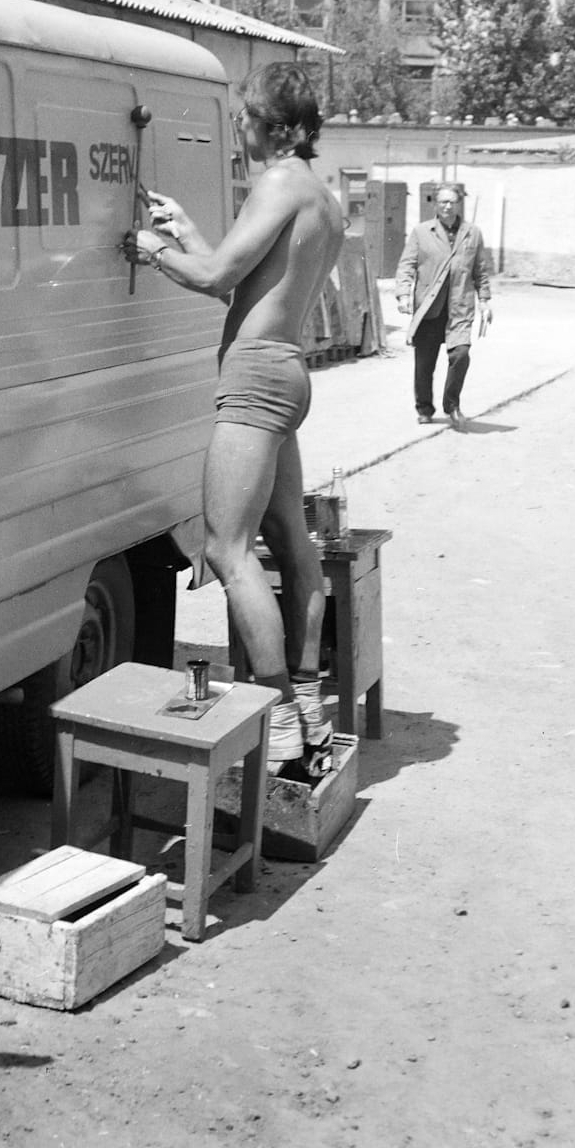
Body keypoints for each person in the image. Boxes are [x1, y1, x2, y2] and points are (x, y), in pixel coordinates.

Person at [125, 62, 346, 778]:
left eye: (245, 119)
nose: (238, 130)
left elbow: (217, 280)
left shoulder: (277, 181)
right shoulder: (323, 195)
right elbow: (247, 283)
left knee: (226, 549)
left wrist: (153, 249)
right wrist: (187, 229)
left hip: (253, 381)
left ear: (275, 129)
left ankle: (277, 719)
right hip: (287, 372)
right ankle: (310, 705)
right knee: (291, 539)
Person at [394, 183, 493, 427]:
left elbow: (480, 270)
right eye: (443, 202)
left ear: (459, 203)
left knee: (461, 355)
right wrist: (404, 295)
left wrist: (485, 301)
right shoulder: (421, 232)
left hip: (459, 307)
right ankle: (424, 408)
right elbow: (406, 265)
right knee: (424, 364)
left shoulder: (473, 233)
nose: (448, 206)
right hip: (429, 308)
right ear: (435, 204)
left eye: (452, 202)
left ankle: (452, 405)